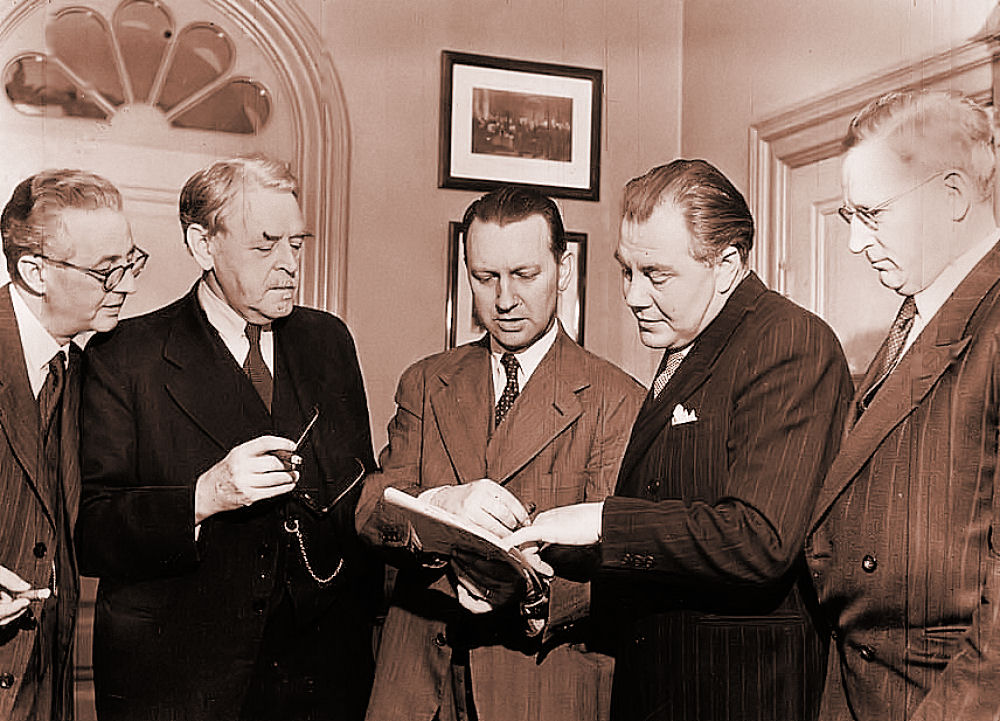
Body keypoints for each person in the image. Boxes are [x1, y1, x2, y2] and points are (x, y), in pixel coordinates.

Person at [507, 159, 853, 721]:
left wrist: (602, 520)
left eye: (656, 274)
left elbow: (759, 540)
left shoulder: (788, 340)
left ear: (726, 265)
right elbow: (672, 517)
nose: (633, 295)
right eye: (627, 271)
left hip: (739, 696)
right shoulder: (689, 341)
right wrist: (538, 550)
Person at [75, 156, 382, 721]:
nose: (289, 264)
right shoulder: (124, 356)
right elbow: (92, 530)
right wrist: (203, 497)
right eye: (265, 246)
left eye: (296, 243)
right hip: (180, 687)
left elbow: (356, 493)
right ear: (203, 245)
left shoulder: (329, 341)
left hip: (319, 684)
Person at [357, 186, 644, 721]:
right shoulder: (426, 381)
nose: (504, 299)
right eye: (485, 277)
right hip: (416, 685)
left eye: (524, 275)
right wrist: (441, 502)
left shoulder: (618, 399)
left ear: (563, 269)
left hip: (540, 687)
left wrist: (532, 598)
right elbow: (371, 507)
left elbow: (620, 560)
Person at [803, 90, 1000, 721]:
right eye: (849, 216)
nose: (855, 242)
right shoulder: (921, 310)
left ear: (952, 195)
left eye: (872, 213)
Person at [0, 169, 140, 720]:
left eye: (130, 261)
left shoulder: (87, 371)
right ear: (35, 271)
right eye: (107, 270)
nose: (127, 285)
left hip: (45, 689)